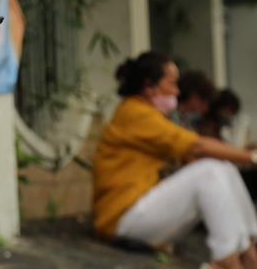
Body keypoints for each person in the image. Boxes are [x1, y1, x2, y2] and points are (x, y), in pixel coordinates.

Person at [93, 51, 257, 269]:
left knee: (220, 166)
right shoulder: (134, 113)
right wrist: (251, 157)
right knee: (210, 169)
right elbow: (197, 146)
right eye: (172, 83)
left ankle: (248, 251)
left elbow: (195, 151)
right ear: (149, 86)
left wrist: (243, 156)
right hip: (123, 220)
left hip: (141, 216)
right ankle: (226, 258)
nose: (177, 91)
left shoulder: (148, 114)